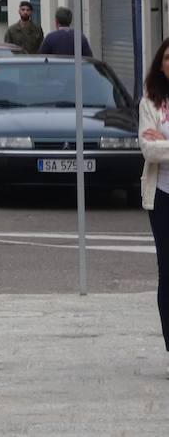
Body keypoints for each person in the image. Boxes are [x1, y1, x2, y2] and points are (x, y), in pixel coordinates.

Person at [139, 35, 169, 374]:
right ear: (160, 63)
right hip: (162, 197)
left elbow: (161, 147)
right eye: (168, 57)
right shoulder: (150, 101)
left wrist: (166, 141)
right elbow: (150, 151)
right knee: (168, 275)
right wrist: (159, 145)